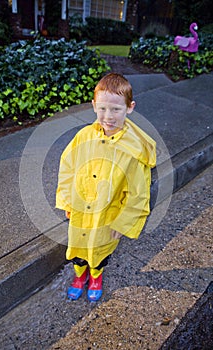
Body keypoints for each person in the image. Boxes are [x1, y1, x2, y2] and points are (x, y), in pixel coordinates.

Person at [56, 73, 156, 302]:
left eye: (116, 109)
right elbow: (68, 167)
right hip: (81, 208)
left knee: (99, 250)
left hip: (107, 213)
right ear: (93, 106)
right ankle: (80, 276)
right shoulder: (83, 137)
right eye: (102, 109)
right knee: (78, 247)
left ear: (130, 108)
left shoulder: (133, 150)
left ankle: (96, 276)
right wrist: (67, 200)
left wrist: (123, 222)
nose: (108, 116)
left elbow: (138, 192)